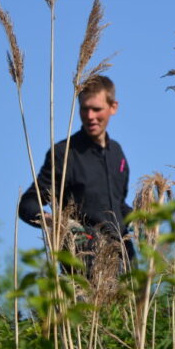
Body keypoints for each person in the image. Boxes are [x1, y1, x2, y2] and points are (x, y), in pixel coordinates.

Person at [19, 75, 134, 270]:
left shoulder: (117, 154)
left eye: (96, 109)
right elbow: (28, 203)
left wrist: (141, 216)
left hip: (124, 261)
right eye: (84, 109)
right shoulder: (64, 153)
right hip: (83, 263)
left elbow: (117, 206)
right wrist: (53, 221)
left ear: (113, 107)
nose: (90, 116)